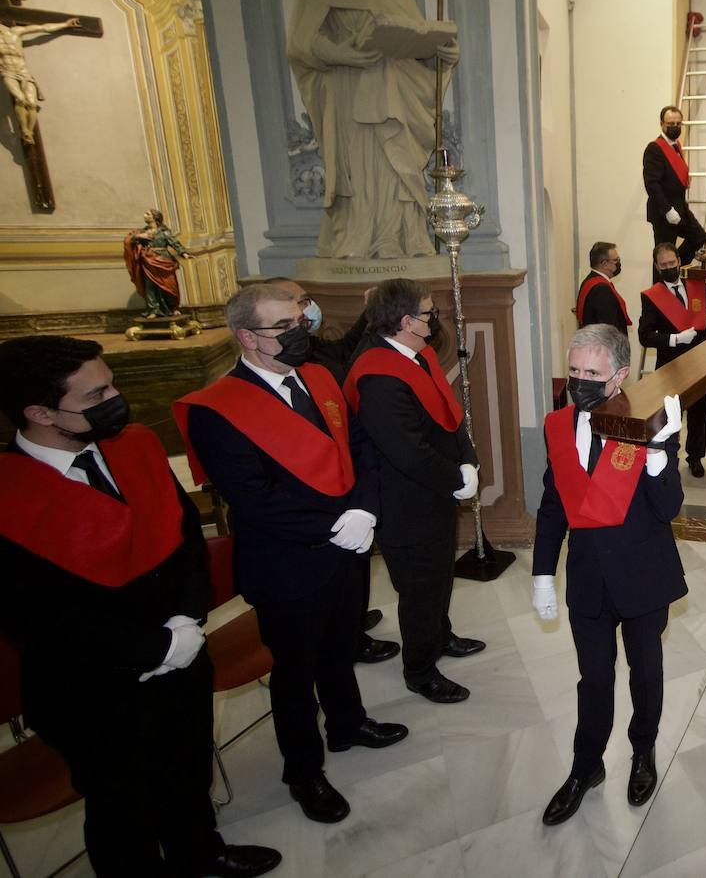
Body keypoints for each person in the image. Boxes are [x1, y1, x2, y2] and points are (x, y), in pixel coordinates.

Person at [0, 335, 281, 877]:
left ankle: (200, 852)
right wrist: (155, 647)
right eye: (96, 394)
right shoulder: (9, 495)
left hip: (181, 650)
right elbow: (39, 619)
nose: (116, 397)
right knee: (121, 805)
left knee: (187, 764)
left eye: (112, 383)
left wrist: (187, 619)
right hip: (89, 688)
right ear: (38, 412)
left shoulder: (133, 445)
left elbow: (186, 539)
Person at [177, 285, 407, 825]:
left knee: (341, 647)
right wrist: (337, 523)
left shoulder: (320, 378)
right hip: (288, 563)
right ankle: (303, 771)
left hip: (348, 545)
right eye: (284, 326)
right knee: (295, 671)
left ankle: (348, 723)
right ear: (247, 338)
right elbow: (253, 499)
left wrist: (364, 511)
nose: (300, 331)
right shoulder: (218, 409)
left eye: (300, 320)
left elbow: (361, 448)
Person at [532, 325, 686, 826]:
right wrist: (541, 575)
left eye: (592, 374)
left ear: (619, 376)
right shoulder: (559, 425)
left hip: (643, 572)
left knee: (647, 672)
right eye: (574, 371)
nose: (579, 382)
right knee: (593, 677)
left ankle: (643, 752)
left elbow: (669, 508)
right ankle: (586, 766)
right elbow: (553, 506)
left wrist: (662, 453)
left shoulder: (647, 422)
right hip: (589, 577)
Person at [344, 279, 485, 705]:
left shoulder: (416, 355)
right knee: (420, 589)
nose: (434, 318)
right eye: (428, 312)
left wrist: (468, 458)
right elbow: (408, 452)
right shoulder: (378, 378)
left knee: (440, 576)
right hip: (406, 502)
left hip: (433, 493)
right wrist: (457, 478)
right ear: (406, 322)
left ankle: (440, 637)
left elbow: (448, 411)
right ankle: (420, 670)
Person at [262, 277, 397, 664]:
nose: (308, 310)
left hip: (347, 488)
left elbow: (341, 351)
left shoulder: (313, 355)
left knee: (351, 582)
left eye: (307, 301)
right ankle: (348, 634)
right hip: (311, 520)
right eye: (299, 303)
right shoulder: (291, 361)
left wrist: (362, 505)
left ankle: (352, 626)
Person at [286, 0, 460, 260]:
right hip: (347, 92)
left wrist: (441, 54)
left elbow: (415, 42)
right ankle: (358, 239)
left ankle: (397, 237)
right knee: (358, 169)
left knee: (395, 166)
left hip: (393, 93)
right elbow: (301, 43)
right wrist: (338, 53)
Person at [638, 242, 706, 478]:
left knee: (699, 413)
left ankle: (695, 457)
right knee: (671, 415)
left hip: (701, 361)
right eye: (663, 265)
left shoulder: (695, 284)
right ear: (657, 266)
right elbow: (644, 336)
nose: (669, 268)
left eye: (671, 263)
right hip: (671, 366)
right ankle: (668, 455)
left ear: (679, 261)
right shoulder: (652, 297)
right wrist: (675, 339)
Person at [0, 17, 82, 144]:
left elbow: (43, 27)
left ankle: (30, 132)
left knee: (32, 104)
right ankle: (24, 131)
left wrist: (65, 24)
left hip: (24, 72)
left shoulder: (15, 32)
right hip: (8, 72)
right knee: (20, 99)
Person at [643, 105, 706, 266]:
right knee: (663, 255)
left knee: (698, 236)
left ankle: (676, 265)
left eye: (678, 124)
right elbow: (652, 184)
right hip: (664, 212)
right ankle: (659, 287)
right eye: (671, 124)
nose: (675, 127)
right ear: (662, 124)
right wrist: (667, 210)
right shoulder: (654, 149)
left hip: (680, 207)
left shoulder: (676, 145)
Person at [124, 208, 189, 318]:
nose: (144, 215)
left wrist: (184, 253)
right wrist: (137, 236)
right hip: (148, 262)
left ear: (154, 217)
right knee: (150, 286)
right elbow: (129, 241)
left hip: (164, 260)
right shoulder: (142, 232)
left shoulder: (164, 232)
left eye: (147, 214)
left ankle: (173, 308)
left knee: (170, 285)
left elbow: (175, 243)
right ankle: (154, 310)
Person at [575, 241, 632, 334]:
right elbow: (609, 328)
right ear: (605, 264)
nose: (618, 263)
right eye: (616, 260)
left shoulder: (589, 281)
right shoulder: (601, 289)